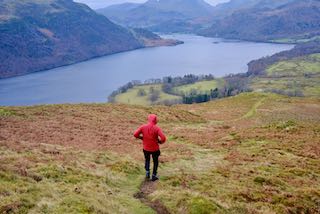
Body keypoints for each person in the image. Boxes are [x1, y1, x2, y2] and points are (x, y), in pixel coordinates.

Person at [134, 114, 166, 181]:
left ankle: (147, 172)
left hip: (146, 148)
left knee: (147, 160)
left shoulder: (143, 127)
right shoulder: (157, 128)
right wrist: (160, 142)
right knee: (155, 161)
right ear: (155, 120)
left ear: (149, 119)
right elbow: (163, 138)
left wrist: (141, 138)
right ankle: (154, 176)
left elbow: (135, 134)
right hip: (155, 149)